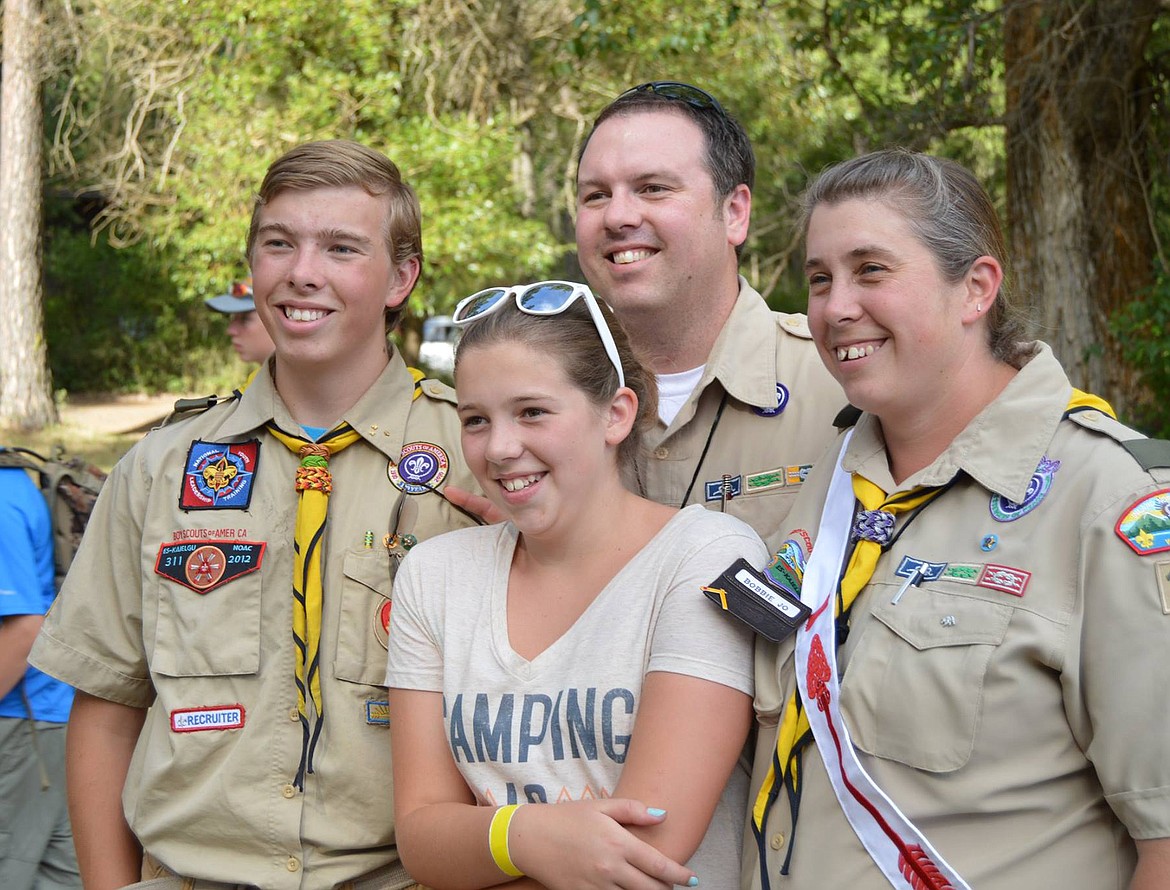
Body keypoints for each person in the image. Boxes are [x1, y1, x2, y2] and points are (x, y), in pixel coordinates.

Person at [29, 139, 480, 890]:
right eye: (279, 244)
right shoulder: (161, 468)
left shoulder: (477, 458)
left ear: (402, 278)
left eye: (341, 248)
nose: (303, 272)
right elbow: (107, 703)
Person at [746, 148, 1170, 889]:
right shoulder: (834, 476)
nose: (835, 306)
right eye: (819, 279)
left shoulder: (1109, 499)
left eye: (871, 270)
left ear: (976, 288)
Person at [385, 280, 769, 889]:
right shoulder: (435, 577)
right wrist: (533, 837)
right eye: (476, 420)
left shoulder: (706, 557)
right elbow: (422, 839)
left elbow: (649, 850)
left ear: (615, 414)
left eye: (532, 411)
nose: (502, 448)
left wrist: (483, 842)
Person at [573, 82, 844, 551]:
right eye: (595, 195)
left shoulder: (841, 386)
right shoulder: (542, 400)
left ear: (735, 213)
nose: (616, 217)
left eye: (653, 188)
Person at [0, 467, 80, 889]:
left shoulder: (2, 495)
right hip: (45, 718)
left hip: (19, 722)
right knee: (56, 872)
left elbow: (21, 631)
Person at [205, 277, 276, 365]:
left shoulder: (295, 378)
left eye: (245, 319)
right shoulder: (258, 378)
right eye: (233, 318)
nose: (230, 330)